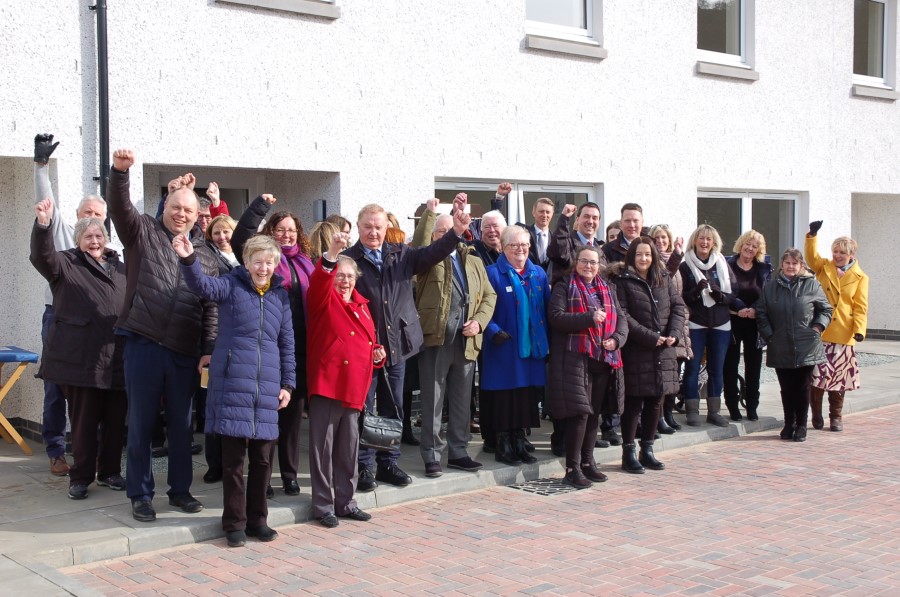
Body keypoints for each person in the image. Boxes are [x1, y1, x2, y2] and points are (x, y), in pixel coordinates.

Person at [107, 148, 218, 523]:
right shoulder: (143, 233)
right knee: (140, 423)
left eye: (188, 210)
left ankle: (180, 491)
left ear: (196, 215)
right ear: (165, 205)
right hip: (144, 342)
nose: (181, 214)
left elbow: (211, 307)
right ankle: (140, 494)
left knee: (183, 427)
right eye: (176, 207)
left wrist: (209, 349)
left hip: (184, 351)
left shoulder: (204, 254)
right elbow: (120, 209)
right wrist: (120, 174)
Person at [174, 233, 294, 547]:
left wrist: (288, 385)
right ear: (247, 261)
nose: (263, 267)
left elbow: (287, 344)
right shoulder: (230, 285)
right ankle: (235, 524)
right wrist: (189, 259)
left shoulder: (281, 296)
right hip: (233, 386)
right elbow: (202, 285)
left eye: (269, 262)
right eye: (258, 261)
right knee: (233, 463)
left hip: (267, 389)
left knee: (264, 462)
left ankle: (258, 520)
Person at [345, 201, 472, 491]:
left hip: (398, 344)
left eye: (378, 227)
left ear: (386, 227)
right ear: (359, 227)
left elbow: (432, 252)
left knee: (395, 407)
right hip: (365, 349)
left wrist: (455, 232)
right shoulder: (349, 259)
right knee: (365, 408)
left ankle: (388, 463)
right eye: (367, 227)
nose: (373, 232)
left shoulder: (400, 254)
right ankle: (364, 466)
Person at [30, 200, 127, 500]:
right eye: (88, 237)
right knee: (84, 424)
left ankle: (110, 471)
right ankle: (81, 477)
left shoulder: (120, 267)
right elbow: (41, 256)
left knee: (114, 421)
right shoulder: (65, 263)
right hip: (83, 360)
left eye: (99, 236)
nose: (95, 241)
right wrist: (44, 225)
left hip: (118, 358)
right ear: (78, 241)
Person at [32, 133, 112, 476]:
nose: (91, 219)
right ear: (76, 216)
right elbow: (46, 204)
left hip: (98, 327)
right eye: (86, 213)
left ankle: (91, 453)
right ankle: (55, 450)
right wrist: (41, 167)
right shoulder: (66, 234)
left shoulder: (110, 247)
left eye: (97, 214)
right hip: (61, 320)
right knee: (56, 387)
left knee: (95, 389)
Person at [233, 197, 313, 497]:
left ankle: (289, 475)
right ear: (270, 232)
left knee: (292, 419)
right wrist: (258, 208)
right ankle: (262, 478)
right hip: (267, 348)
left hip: (299, 348)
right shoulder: (262, 259)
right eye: (280, 229)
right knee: (266, 417)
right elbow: (241, 237)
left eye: (291, 230)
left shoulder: (307, 262)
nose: (286, 235)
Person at [412, 203, 497, 478]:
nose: (450, 234)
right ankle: (432, 455)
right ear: (434, 235)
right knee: (433, 401)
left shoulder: (472, 259)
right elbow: (419, 245)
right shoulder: (427, 260)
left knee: (462, 400)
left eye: (453, 230)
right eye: (442, 231)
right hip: (436, 338)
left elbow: (489, 296)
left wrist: (479, 322)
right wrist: (428, 215)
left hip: (466, 340)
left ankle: (459, 452)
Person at [307, 232, 384, 527]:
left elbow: (367, 341)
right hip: (328, 385)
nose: (345, 281)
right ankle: (323, 505)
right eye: (340, 275)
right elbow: (319, 282)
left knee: (348, 450)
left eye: (350, 276)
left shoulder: (363, 305)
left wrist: (377, 353)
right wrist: (332, 254)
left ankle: (346, 501)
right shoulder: (323, 300)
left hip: (354, 388)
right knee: (322, 450)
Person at [548, 245, 627, 488]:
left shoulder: (607, 287)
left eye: (593, 262)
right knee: (579, 414)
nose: (588, 266)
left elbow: (621, 319)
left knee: (594, 413)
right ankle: (572, 467)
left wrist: (617, 339)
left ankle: (587, 462)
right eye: (584, 261)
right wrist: (589, 317)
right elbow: (557, 318)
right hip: (575, 358)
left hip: (604, 358)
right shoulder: (564, 286)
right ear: (576, 262)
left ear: (599, 265)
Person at [609, 237, 685, 473]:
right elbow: (623, 315)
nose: (644, 259)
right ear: (631, 256)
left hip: (664, 350)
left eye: (648, 255)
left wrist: (673, 333)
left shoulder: (663, 278)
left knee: (656, 402)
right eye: (639, 254)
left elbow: (678, 307)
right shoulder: (622, 281)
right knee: (633, 403)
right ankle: (628, 452)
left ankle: (648, 449)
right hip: (637, 350)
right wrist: (651, 337)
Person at [481, 226, 550, 466]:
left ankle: (520, 441)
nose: (520, 249)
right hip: (504, 347)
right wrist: (492, 331)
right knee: (504, 398)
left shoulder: (538, 273)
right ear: (502, 247)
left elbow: (548, 308)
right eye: (514, 245)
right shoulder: (491, 273)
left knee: (526, 397)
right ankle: (503, 444)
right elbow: (480, 308)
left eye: (524, 245)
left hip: (531, 350)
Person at [756, 249, 832, 442]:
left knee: (803, 386)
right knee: (786, 387)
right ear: (782, 265)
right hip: (780, 344)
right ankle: (789, 423)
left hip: (806, 344)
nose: (791, 266)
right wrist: (769, 335)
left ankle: (801, 425)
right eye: (787, 263)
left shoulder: (812, 285)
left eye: (794, 263)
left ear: (801, 266)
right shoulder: (771, 287)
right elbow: (761, 313)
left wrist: (817, 327)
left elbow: (825, 310)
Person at [805, 222, 869, 432]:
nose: (837, 255)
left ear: (851, 254)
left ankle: (836, 417)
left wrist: (859, 330)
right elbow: (811, 258)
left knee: (839, 379)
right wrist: (812, 236)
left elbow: (860, 306)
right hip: (820, 332)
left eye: (842, 252)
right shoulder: (824, 267)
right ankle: (816, 413)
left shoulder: (861, 277)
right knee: (818, 376)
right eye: (835, 251)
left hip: (843, 333)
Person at [679, 224, 736, 428]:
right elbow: (681, 296)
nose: (704, 242)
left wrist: (720, 296)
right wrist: (696, 291)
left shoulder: (722, 263)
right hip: (697, 322)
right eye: (701, 238)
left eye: (708, 239)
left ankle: (714, 411)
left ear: (714, 243)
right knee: (692, 367)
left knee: (716, 369)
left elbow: (733, 293)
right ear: (695, 241)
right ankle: (692, 410)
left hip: (721, 323)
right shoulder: (685, 266)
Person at [198, 213, 239, 484]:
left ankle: (233, 464)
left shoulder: (244, 258)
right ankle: (214, 464)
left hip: (241, 345)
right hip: (216, 341)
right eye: (216, 233)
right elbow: (210, 309)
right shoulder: (208, 259)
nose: (222, 237)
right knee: (211, 404)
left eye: (227, 232)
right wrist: (210, 347)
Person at [723, 230, 772, 422]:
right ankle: (732, 406)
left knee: (754, 367)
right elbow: (725, 291)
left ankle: (752, 406)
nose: (750, 248)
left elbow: (767, 295)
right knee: (730, 366)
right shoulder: (727, 265)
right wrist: (741, 307)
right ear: (740, 244)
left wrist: (754, 310)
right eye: (747, 244)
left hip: (754, 323)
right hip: (732, 320)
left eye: (754, 246)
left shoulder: (763, 269)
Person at [648, 223, 689, 432]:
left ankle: (668, 413)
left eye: (664, 237)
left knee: (675, 372)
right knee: (663, 373)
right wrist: (676, 257)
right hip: (662, 323)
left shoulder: (677, 261)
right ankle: (660, 416)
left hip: (677, 322)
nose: (660, 241)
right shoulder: (653, 263)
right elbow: (664, 279)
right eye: (656, 238)